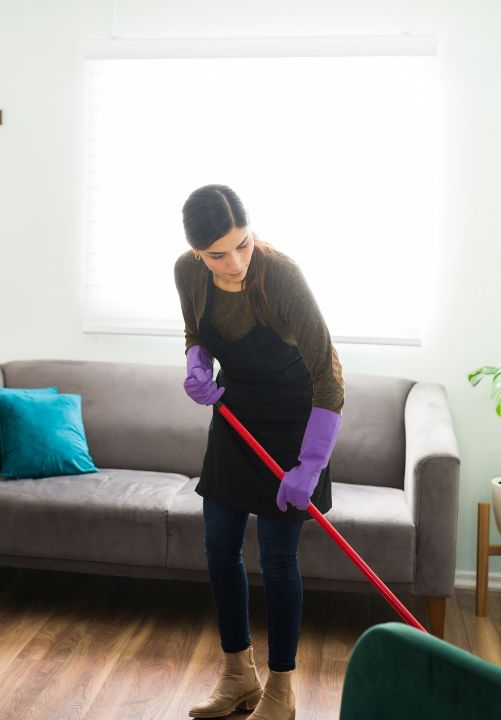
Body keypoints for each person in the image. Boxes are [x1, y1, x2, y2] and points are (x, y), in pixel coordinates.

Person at [174, 184, 344, 720]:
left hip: (295, 421)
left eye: (243, 245)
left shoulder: (280, 276)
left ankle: (282, 689)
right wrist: (196, 361)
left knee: (276, 559)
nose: (235, 263)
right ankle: (237, 676)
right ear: (197, 252)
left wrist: (310, 464)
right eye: (217, 254)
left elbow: (329, 375)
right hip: (235, 415)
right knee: (219, 548)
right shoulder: (187, 272)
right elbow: (194, 329)